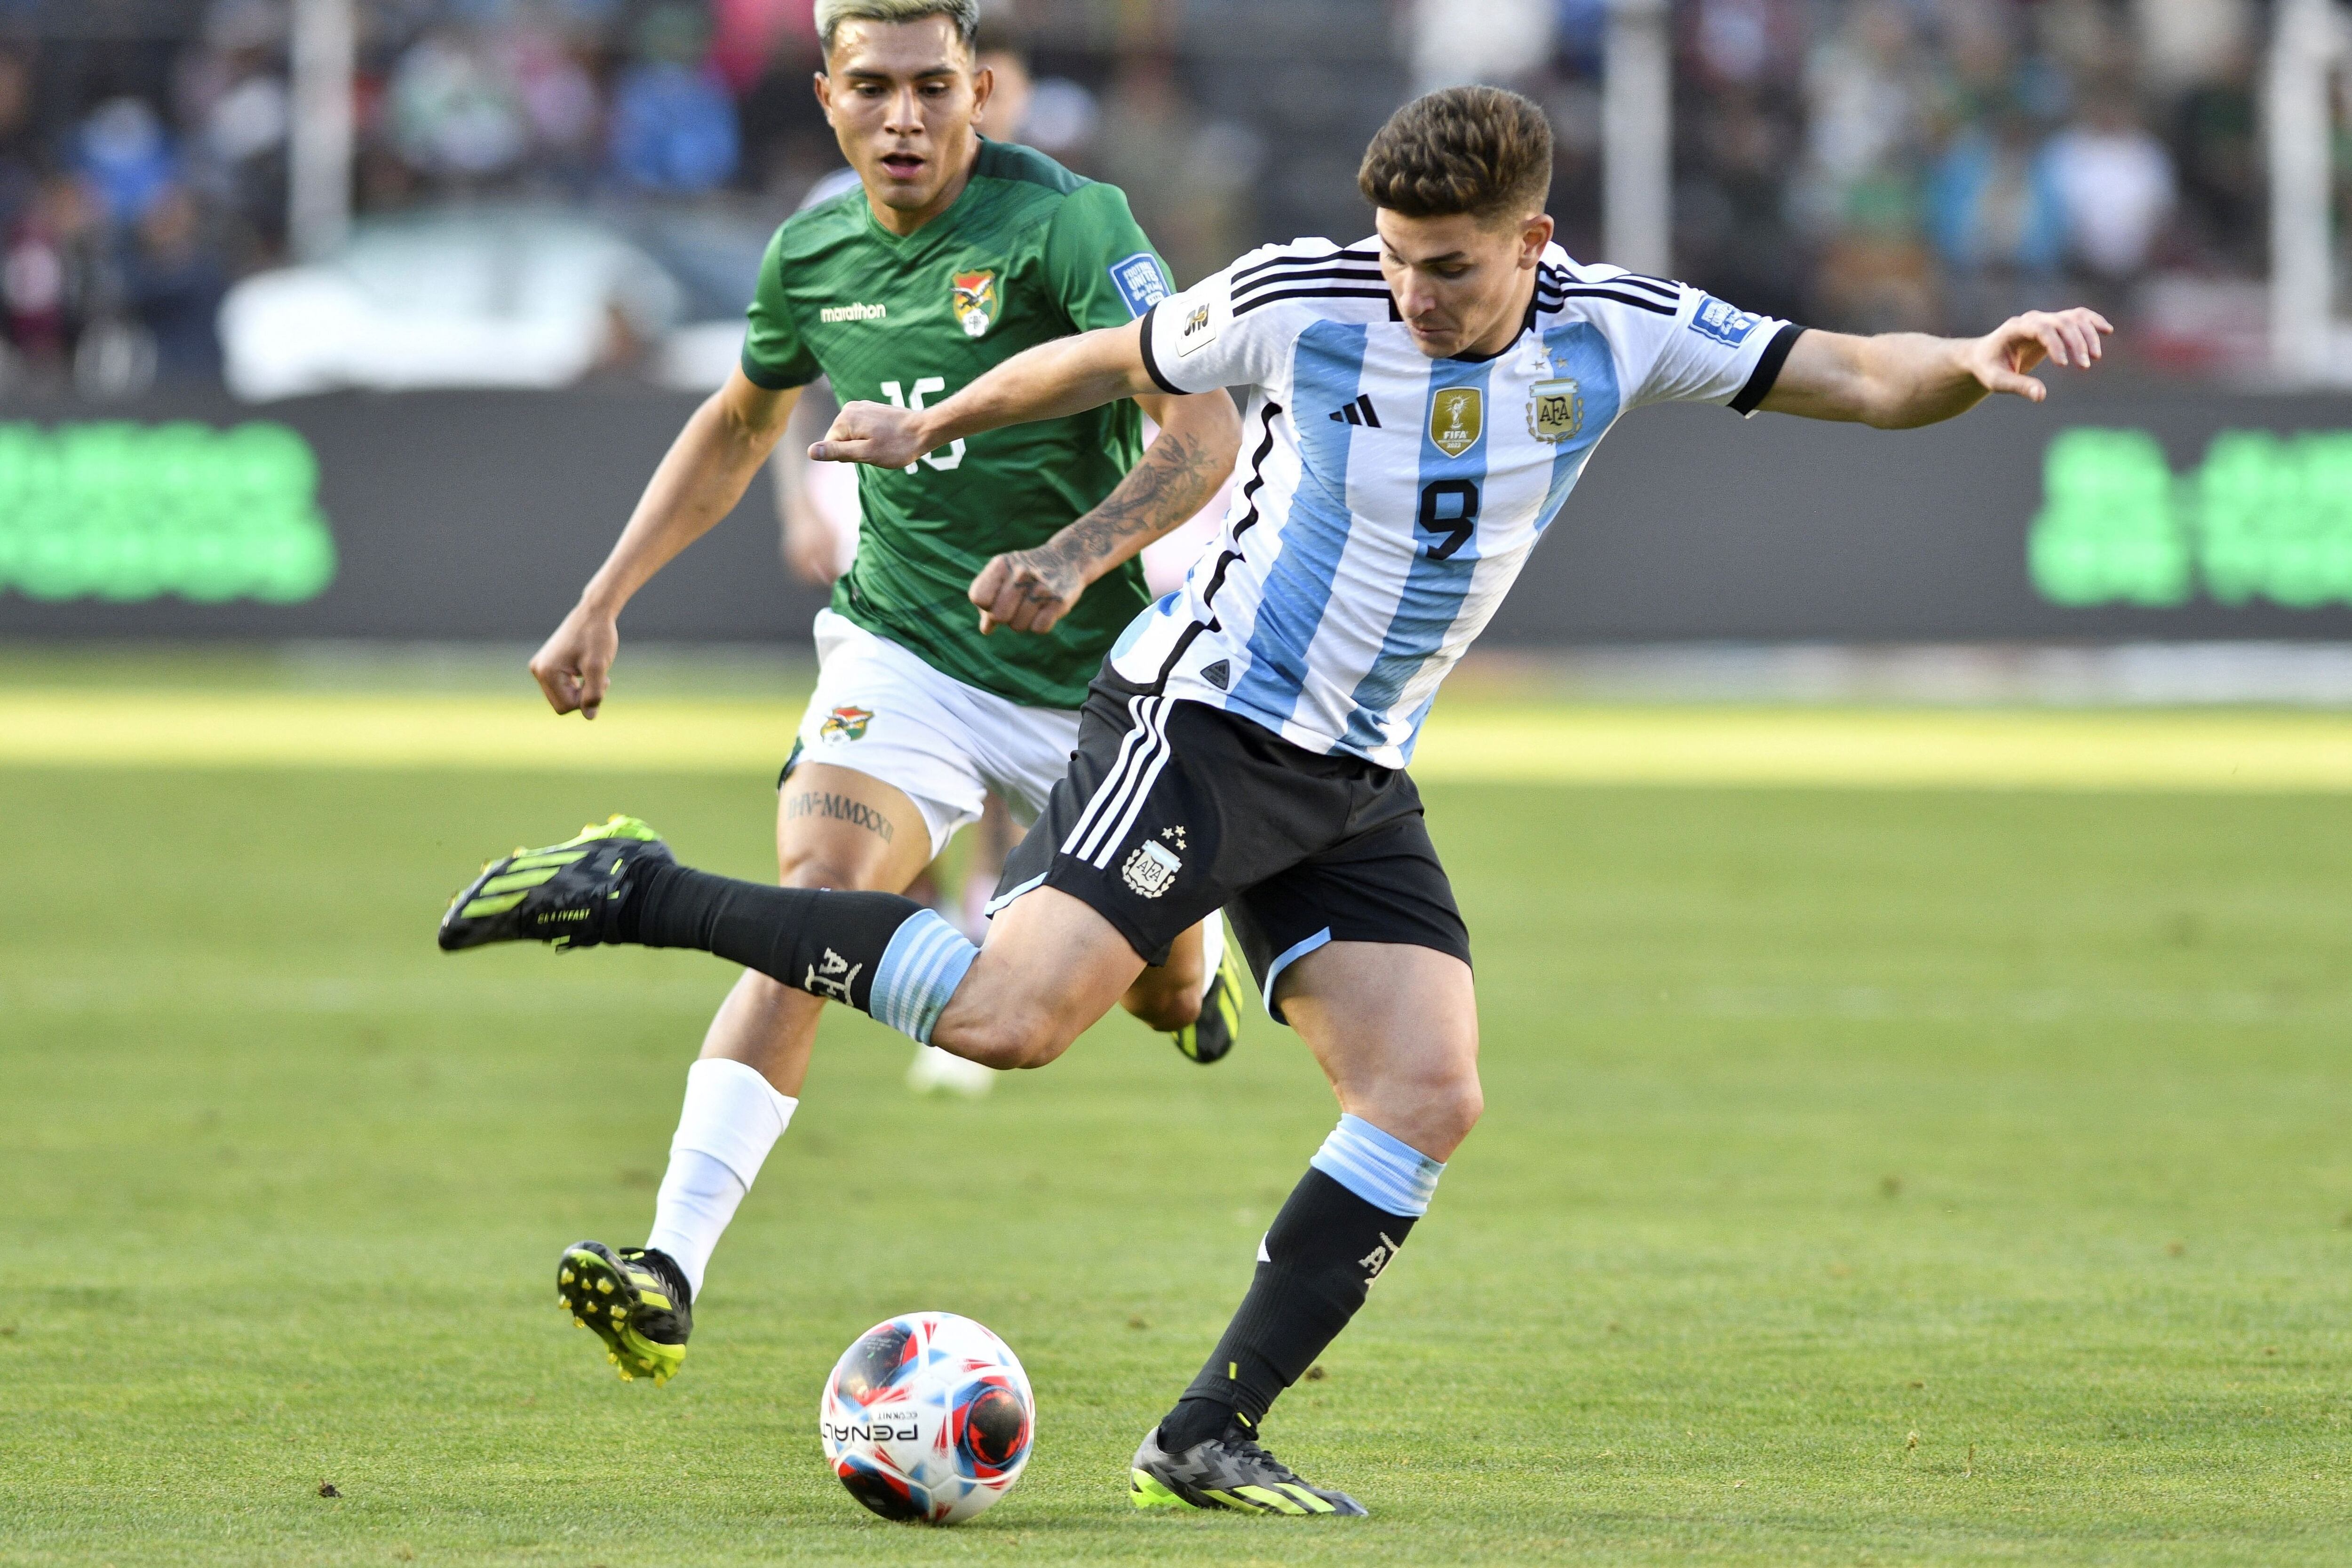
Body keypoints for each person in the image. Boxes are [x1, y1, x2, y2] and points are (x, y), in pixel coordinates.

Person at [445, 84, 2110, 1514]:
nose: (1411, 292)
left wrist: (1976, 352)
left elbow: (1870, 376)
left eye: (1448, 268)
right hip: (1206, 721)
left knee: (1426, 1088)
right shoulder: (1301, 295)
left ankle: (1208, 1434)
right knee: (1015, 1025)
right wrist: (937, 417)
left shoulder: (1622, 324)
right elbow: (1102, 362)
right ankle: (638, 887)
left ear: (1534, 244)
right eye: (1392, 255)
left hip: (1360, 773)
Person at [513, 0, 1245, 1389]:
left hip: (1092, 675)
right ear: (826, 96)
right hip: (905, 649)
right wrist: (604, 597)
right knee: (816, 893)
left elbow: (1200, 434)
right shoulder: (810, 253)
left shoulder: (1076, 227)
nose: (903, 117)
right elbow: (740, 424)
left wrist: (1076, 552)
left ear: (979, 88)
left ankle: (1192, 978)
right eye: (873, 88)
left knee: (1157, 991)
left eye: (930, 86)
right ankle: (669, 1264)